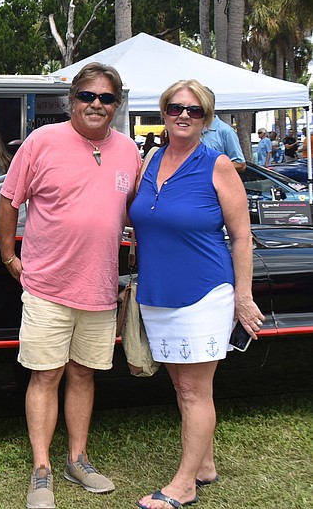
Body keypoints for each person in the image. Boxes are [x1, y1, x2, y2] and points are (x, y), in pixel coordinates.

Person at [0, 62, 141, 509]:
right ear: (72, 100)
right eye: (87, 96)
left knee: (83, 374)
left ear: (116, 105)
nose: (96, 105)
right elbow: (9, 199)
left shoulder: (129, 151)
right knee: (46, 375)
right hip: (47, 287)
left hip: (99, 289)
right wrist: (8, 256)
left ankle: (77, 459)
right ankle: (42, 471)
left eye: (106, 98)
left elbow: (134, 209)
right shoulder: (42, 141)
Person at [129, 79, 264, 509]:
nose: (183, 115)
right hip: (157, 292)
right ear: (164, 113)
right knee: (180, 386)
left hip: (204, 292)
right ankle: (204, 466)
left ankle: (184, 484)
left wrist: (243, 296)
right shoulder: (150, 159)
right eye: (174, 107)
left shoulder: (217, 164)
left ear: (206, 119)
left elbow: (242, 237)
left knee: (193, 390)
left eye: (194, 110)